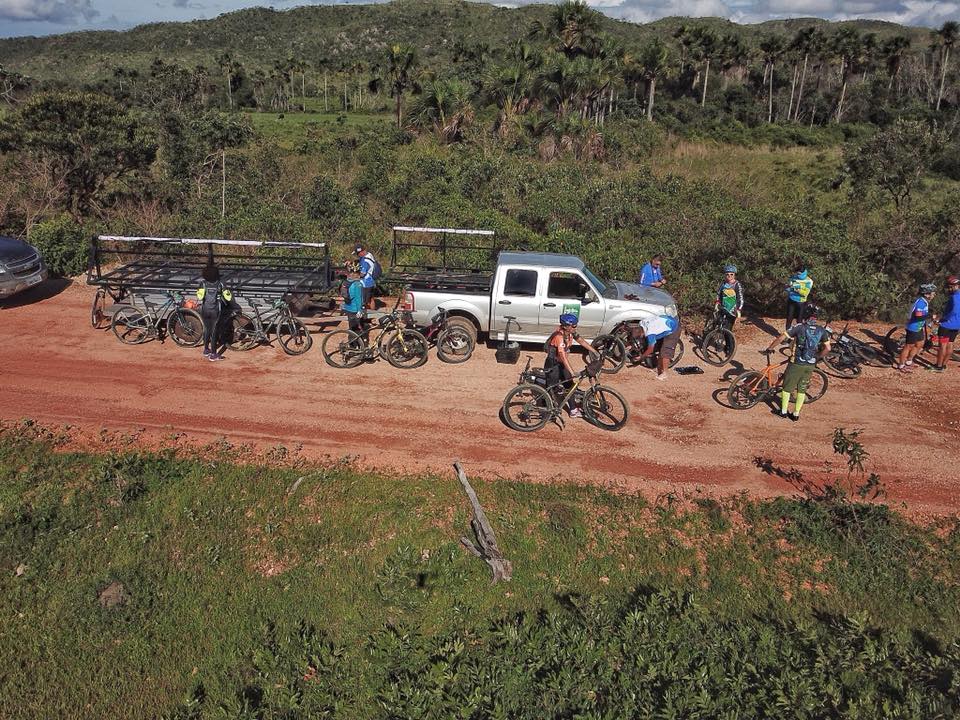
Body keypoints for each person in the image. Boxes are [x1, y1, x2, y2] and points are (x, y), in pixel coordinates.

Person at [765, 304, 831, 421]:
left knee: (787, 388)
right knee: (802, 389)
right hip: (810, 364)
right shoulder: (822, 330)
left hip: (796, 362)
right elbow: (828, 349)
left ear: (805, 315)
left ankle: (783, 411)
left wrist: (770, 347)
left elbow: (781, 338)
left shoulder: (799, 327)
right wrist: (817, 357)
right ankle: (795, 414)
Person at [544, 313, 597, 418]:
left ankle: (573, 410)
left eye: (576, 325)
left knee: (571, 386)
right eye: (573, 326)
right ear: (565, 326)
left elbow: (581, 341)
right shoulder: (559, 337)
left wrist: (595, 351)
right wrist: (572, 372)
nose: (575, 327)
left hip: (561, 365)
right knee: (551, 389)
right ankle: (546, 412)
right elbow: (562, 356)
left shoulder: (570, 333)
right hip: (553, 366)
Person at [896, 283, 937, 373]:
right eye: (933, 293)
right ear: (927, 294)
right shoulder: (921, 303)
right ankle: (901, 365)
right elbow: (918, 316)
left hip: (919, 327)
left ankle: (909, 361)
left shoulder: (924, 302)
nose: (934, 295)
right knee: (908, 346)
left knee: (920, 344)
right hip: (913, 327)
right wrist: (930, 316)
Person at [196, 264, 233, 362]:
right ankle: (213, 354)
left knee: (207, 329)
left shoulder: (203, 283)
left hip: (205, 309)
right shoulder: (220, 284)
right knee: (214, 331)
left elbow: (199, 297)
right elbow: (228, 297)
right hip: (216, 310)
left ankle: (206, 350)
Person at [636, 312, 681, 380]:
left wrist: (641, 357)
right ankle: (659, 368)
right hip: (664, 324)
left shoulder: (650, 333)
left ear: (642, 333)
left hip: (673, 328)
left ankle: (665, 373)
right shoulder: (642, 323)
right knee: (659, 347)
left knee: (665, 351)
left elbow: (650, 349)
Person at [930, 275, 960, 374]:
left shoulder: (953, 298)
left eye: (952, 286)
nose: (950, 288)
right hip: (956, 325)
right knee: (950, 344)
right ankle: (944, 365)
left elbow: (954, 311)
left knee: (942, 345)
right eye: (949, 286)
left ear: (957, 286)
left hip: (946, 325)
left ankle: (938, 366)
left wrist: (942, 320)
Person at [785, 263, 813, 330]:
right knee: (789, 318)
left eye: (799, 274)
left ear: (803, 272)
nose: (797, 275)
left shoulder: (809, 281)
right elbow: (789, 288)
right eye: (797, 273)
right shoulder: (794, 277)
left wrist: (797, 290)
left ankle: (798, 337)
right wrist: (787, 288)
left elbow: (805, 293)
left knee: (799, 320)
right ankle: (787, 335)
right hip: (791, 300)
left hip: (801, 302)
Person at [715, 264, 744, 330]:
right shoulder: (723, 283)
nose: (729, 276)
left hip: (732, 310)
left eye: (731, 274)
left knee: (727, 329)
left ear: (734, 275)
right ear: (725, 275)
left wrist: (739, 309)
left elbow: (740, 298)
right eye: (727, 274)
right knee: (718, 324)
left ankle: (728, 340)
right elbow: (719, 293)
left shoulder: (737, 285)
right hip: (723, 307)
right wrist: (717, 302)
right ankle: (713, 338)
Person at [340, 266, 365, 335]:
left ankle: (352, 343)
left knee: (351, 327)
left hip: (348, 307)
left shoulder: (347, 282)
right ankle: (355, 344)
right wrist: (359, 310)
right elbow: (358, 298)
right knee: (357, 329)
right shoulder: (357, 284)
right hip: (355, 309)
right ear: (358, 275)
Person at [353, 244, 377, 310]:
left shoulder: (365, 261)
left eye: (358, 254)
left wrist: (355, 276)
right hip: (371, 282)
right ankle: (373, 313)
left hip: (366, 284)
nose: (357, 255)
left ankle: (365, 316)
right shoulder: (369, 255)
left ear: (361, 252)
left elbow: (362, 274)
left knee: (364, 302)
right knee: (371, 299)